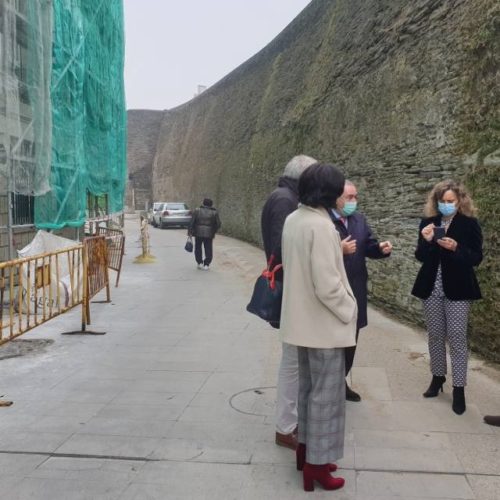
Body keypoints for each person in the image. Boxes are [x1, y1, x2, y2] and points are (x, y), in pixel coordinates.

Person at [281, 163, 357, 492]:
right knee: (326, 398)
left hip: (300, 323)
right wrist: (349, 309)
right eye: (340, 190)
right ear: (327, 192)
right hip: (323, 325)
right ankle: (316, 467)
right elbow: (327, 285)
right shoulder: (322, 226)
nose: (343, 195)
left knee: (307, 392)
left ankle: (305, 452)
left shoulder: (294, 219)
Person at [411, 180, 482, 415]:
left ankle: (459, 388)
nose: (446, 205)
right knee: (435, 335)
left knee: (457, 338)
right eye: (442, 201)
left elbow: (475, 257)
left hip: (458, 289)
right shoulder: (428, 223)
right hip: (432, 287)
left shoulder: (469, 224)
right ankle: (437, 376)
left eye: (450, 201)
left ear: (460, 200)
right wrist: (427, 240)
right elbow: (420, 256)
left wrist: (455, 248)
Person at [261, 154, 317, 450]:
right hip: (291, 292)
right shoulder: (285, 200)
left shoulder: (282, 195)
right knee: (293, 361)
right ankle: (286, 426)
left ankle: (289, 421)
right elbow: (283, 249)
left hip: (290, 290)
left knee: (293, 360)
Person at [330, 180, 392, 401]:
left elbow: (368, 247)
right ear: (336, 197)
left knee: (351, 340)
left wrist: (380, 249)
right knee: (332, 341)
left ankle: (341, 381)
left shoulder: (359, 220)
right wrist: (339, 249)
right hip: (333, 291)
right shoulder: (323, 221)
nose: (353, 201)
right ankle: (328, 384)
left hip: (355, 291)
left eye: (356, 197)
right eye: (349, 197)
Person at [187, 198, 221, 270]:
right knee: (208, 248)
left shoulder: (197, 210)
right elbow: (218, 224)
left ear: (203, 203)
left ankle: (199, 262)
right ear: (211, 204)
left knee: (198, 248)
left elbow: (192, 222)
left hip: (198, 233)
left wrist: (190, 232)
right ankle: (207, 264)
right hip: (209, 234)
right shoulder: (214, 212)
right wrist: (213, 230)